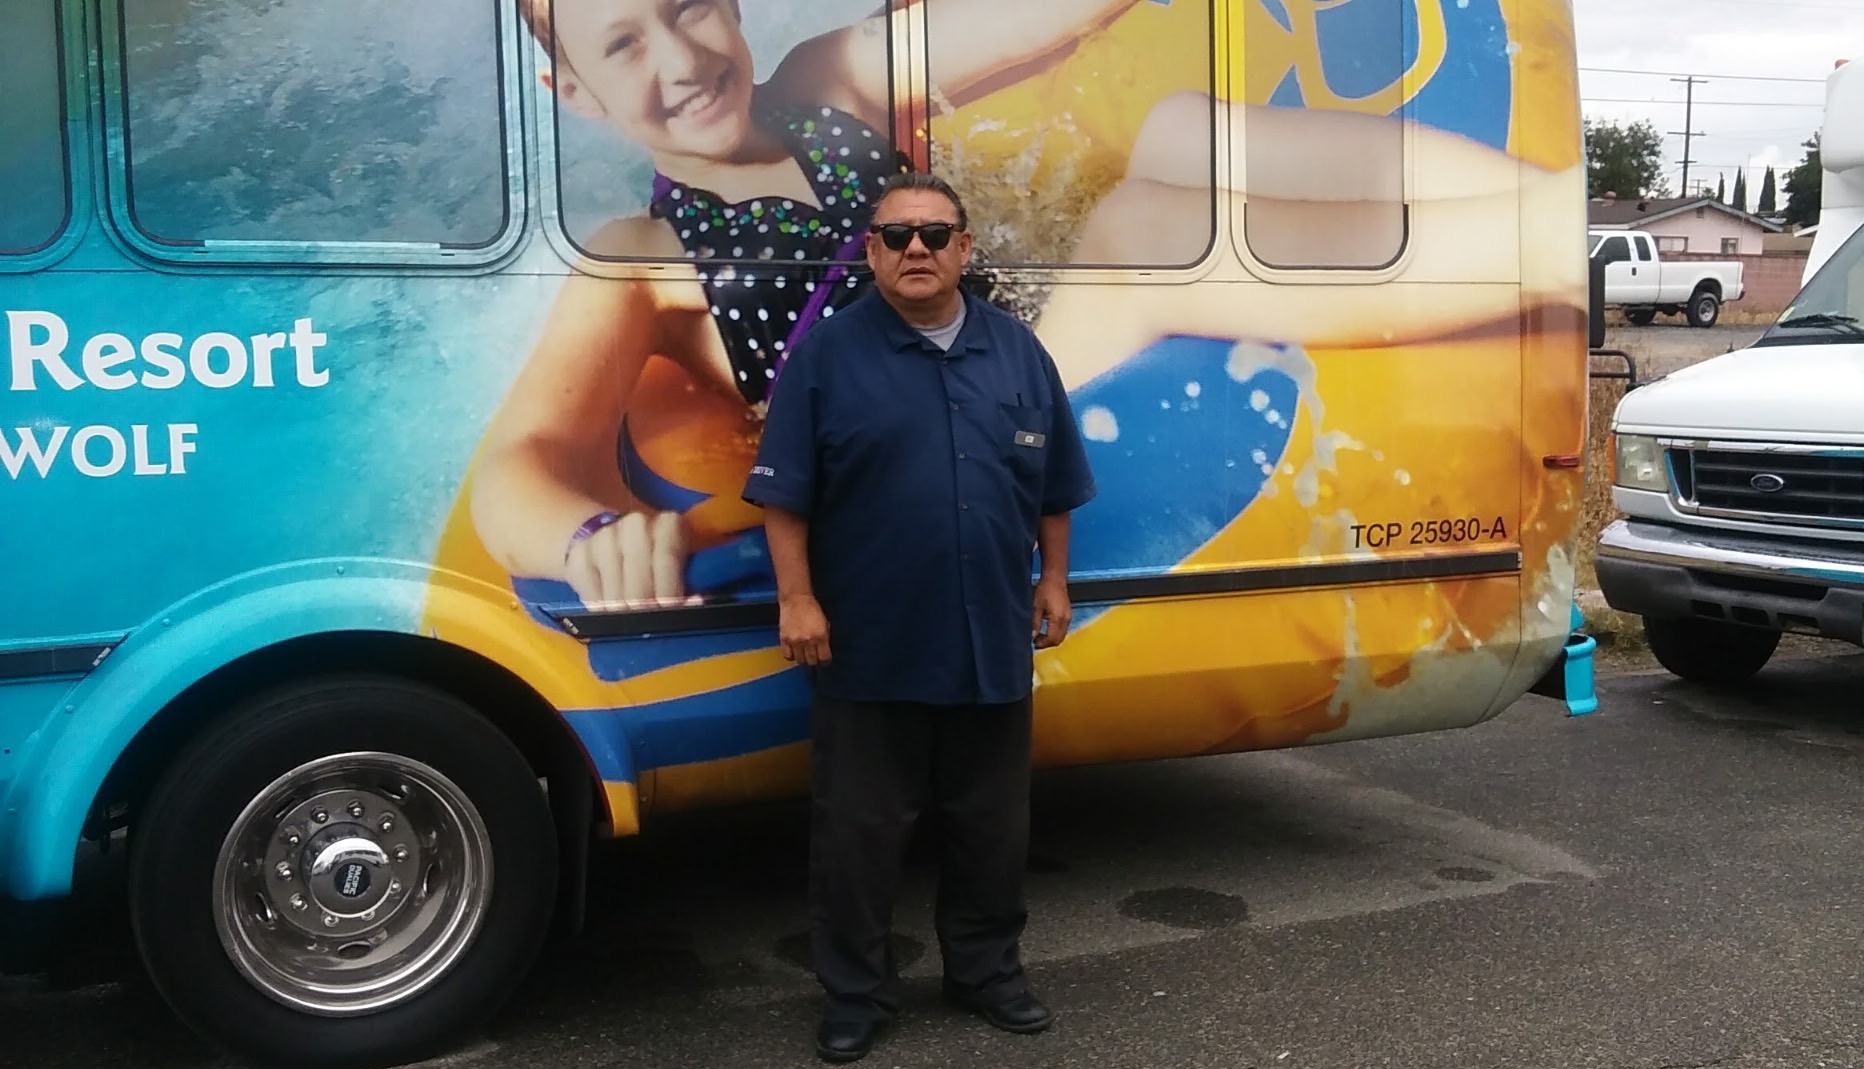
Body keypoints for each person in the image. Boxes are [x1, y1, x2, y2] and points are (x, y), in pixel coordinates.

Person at [465, 0, 1588, 614]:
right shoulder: (641, 254)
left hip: (1014, 337)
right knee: (1141, 235)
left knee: (1178, 128)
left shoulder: (822, 79)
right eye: (623, 42)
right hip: (932, 428)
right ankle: (1537, 246)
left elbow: (1031, 18)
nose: (679, 56)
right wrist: (588, 540)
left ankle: (1542, 211)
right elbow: (517, 464)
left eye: (688, 7)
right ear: (572, 90)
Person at [740, 171, 1095, 1063]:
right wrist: (797, 598)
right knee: (859, 836)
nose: (916, 250)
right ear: (871, 252)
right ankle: (856, 995)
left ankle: (986, 974)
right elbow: (784, 498)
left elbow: (1053, 486)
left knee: (991, 828)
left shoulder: (1018, 353)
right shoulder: (826, 357)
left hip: (991, 639)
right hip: (870, 643)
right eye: (896, 236)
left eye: (935, 234)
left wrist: (1054, 581)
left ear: (964, 249)